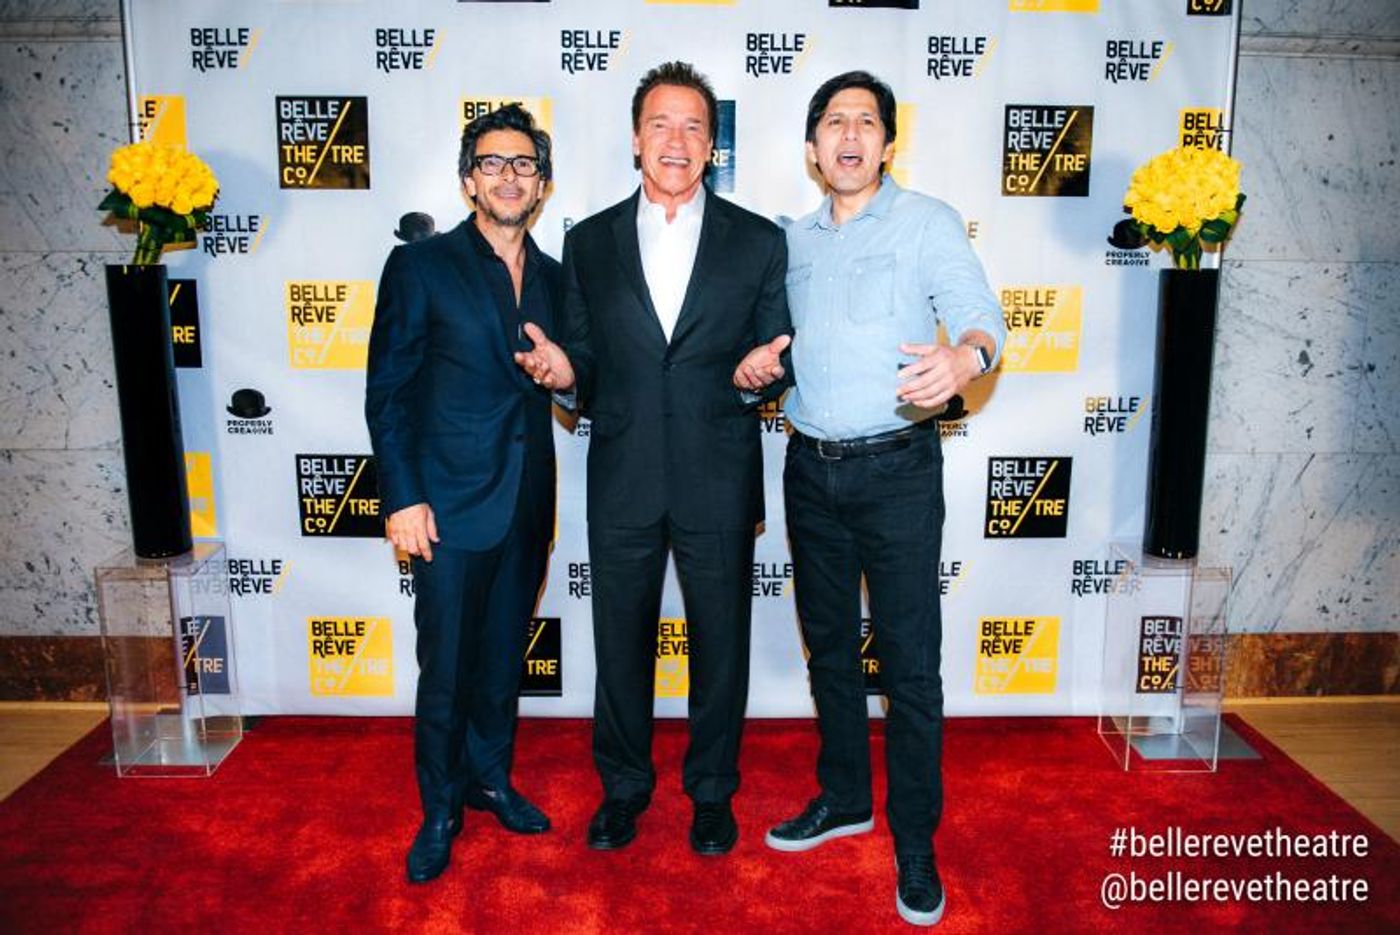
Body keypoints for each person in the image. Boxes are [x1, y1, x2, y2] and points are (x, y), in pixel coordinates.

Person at [736, 71, 1005, 927]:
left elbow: (979, 315)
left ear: (887, 143)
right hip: (809, 470)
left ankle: (915, 836)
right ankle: (846, 794)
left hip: (896, 473)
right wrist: (753, 374)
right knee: (830, 654)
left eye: (866, 121)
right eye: (833, 121)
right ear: (812, 147)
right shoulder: (789, 241)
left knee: (911, 666)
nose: (849, 134)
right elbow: (767, 352)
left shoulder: (925, 223)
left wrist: (965, 357)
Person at [514, 61, 791, 856]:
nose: (677, 140)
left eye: (695, 126)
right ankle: (625, 787)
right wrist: (568, 376)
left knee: (722, 646)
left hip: (718, 473)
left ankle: (711, 792)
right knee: (619, 646)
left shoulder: (758, 240)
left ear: (713, 145)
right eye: (662, 124)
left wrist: (758, 378)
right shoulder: (588, 239)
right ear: (636, 139)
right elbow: (586, 360)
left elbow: (773, 347)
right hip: (625, 476)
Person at [365, 104, 561, 884]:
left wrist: (569, 373)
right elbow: (389, 393)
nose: (508, 175)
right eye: (492, 162)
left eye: (523, 163)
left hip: (525, 505)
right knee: (443, 665)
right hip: (443, 505)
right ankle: (439, 807)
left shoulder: (553, 275)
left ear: (541, 183)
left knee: (499, 660)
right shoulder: (421, 266)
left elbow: (570, 376)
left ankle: (489, 779)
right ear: (467, 179)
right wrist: (402, 496)